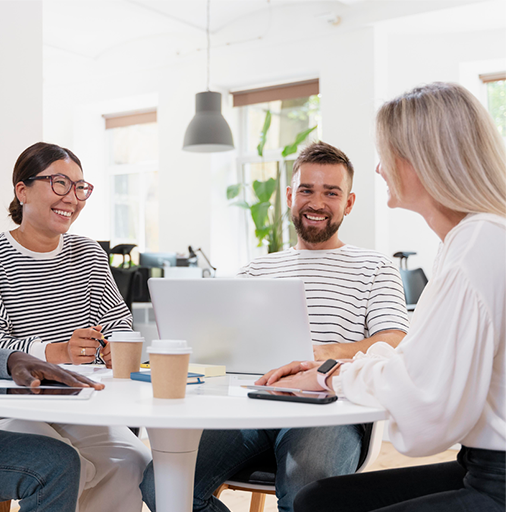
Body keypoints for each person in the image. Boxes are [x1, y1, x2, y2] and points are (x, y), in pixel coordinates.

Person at [259, 83, 505, 512]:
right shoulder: (468, 241)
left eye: (386, 153)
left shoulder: (478, 247)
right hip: (479, 464)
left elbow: (426, 420)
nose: (377, 168)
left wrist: (331, 374)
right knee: (319, 501)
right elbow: (417, 365)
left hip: (495, 480)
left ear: (423, 161)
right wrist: (335, 368)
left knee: (316, 497)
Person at [140, 141, 410, 512]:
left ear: (348, 203)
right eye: (306, 190)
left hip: (329, 410)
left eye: (330, 193)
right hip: (251, 406)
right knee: (161, 483)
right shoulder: (256, 270)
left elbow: (394, 339)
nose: (316, 202)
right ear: (289, 196)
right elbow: (223, 343)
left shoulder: (375, 267)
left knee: (306, 492)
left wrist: (320, 355)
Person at [0, 142, 151, 512]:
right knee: (69, 465)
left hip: (84, 404)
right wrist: (55, 352)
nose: (73, 198)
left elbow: (118, 321)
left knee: (132, 463)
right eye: (60, 183)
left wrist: (114, 343)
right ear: (22, 190)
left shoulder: (89, 253)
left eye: (80, 187)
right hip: (15, 408)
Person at [0, 349, 104, 512]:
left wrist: (10, 359)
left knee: (127, 461)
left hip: (71, 405)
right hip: (8, 415)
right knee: (56, 466)